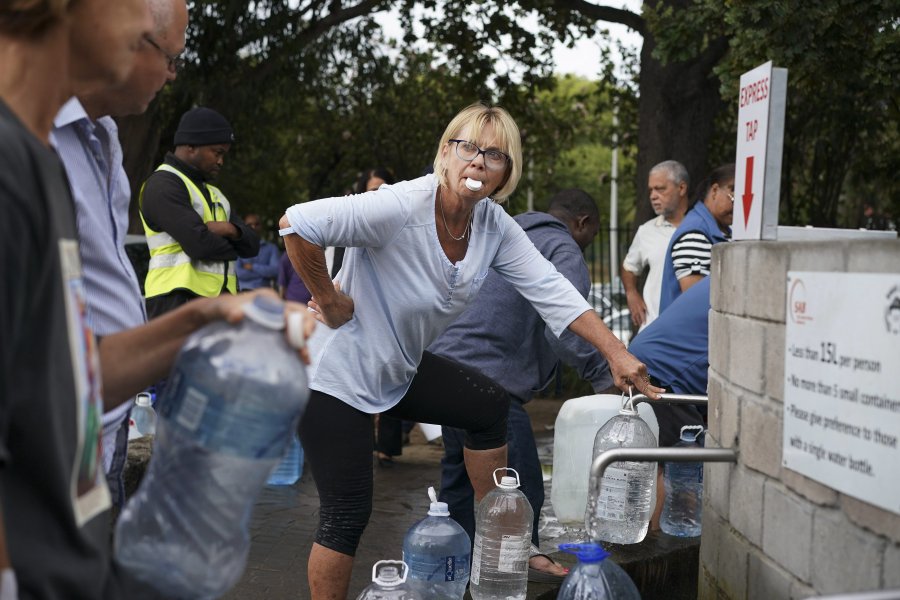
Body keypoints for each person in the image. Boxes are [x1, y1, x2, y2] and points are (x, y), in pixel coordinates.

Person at [278, 102, 662, 599]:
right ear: (446, 154)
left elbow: (552, 290)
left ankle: (497, 540)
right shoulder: (400, 206)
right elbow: (296, 223)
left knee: (485, 405)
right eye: (468, 148)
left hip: (395, 367)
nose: (478, 161)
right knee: (346, 513)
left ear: (506, 171)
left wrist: (616, 352)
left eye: (494, 154)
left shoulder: (493, 227)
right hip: (333, 374)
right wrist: (328, 298)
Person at [0, 3, 315, 596]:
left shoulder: (43, 158)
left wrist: (208, 316)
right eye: (166, 49)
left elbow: (60, 384)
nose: (169, 63)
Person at [432, 189, 612, 582]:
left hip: (445, 368)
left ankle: (457, 570)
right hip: (490, 381)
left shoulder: (503, 234)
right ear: (583, 223)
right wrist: (605, 375)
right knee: (518, 481)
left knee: (460, 481)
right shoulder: (562, 246)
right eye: (592, 235)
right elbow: (566, 325)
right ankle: (520, 565)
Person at [50, 0, 188, 507]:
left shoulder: (102, 134)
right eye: (170, 58)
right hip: (50, 441)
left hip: (105, 425)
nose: (172, 75)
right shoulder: (29, 138)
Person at [139, 106, 259, 318]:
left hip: (218, 303)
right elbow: (199, 245)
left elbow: (252, 245)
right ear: (191, 146)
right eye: (217, 152)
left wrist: (230, 229)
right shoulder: (162, 185)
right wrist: (234, 249)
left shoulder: (214, 193)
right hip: (175, 300)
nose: (220, 161)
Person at [621, 160, 690, 331]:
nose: (652, 196)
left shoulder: (703, 228)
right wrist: (631, 293)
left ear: (681, 188)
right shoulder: (646, 231)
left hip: (693, 331)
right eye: (651, 190)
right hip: (654, 332)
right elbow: (629, 267)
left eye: (660, 189)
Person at [659, 163, 735, 313]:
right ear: (714, 191)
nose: (740, 204)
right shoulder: (695, 234)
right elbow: (696, 305)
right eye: (734, 195)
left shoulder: (716, 230)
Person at [237, 213, 280, 290]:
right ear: (244, 227)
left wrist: (252, 267)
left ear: (261, 226)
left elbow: (275, 271)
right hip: (243, 293)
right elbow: (238, 273)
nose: (253, 227)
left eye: (257, 224)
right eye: (249, 224)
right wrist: (264, 274)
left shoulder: (271, 248)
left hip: (265, 294)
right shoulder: (238, 247)